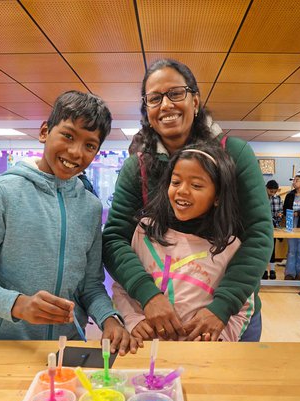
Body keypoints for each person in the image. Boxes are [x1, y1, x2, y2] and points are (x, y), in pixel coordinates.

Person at [103, 59, 272, 343]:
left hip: (228, 317)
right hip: (156, 319)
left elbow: (258, 235)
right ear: (147, 110)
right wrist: (148, 296)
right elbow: (115, 239)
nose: (166, 105)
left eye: (176, 93)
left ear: (195, 100)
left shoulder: (234, 154)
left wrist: (222, 307)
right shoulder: (138, 167)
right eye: (154, 98)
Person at [0, 90, 137, 355]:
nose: (75, 152)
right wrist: (19, 304)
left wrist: (108, 318)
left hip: (69, 346)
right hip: (6, 347)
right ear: (44, 132)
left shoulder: (90, 207)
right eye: (68, 136)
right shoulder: (0, 192)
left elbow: (90, 286)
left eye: (90, 145)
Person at [112, 143, 253, 342]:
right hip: (146, 351)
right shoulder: (145, 231)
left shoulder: (229, 246)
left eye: (196, 185)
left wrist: (220, 339)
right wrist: (134, 320)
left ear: (218, 196)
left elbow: (244, 307)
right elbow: (122, 286)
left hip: (201, 356)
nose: (182, 191)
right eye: (176, 182)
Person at [262, 180, 283, 280]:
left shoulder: (277, 198)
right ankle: (264, 270)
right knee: (262, 249)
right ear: (266, 188)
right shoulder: (260, 198)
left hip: (273, 227)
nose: (273, 193)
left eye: (275, 191)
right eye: (271, 191)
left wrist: (278, 215)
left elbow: (279, 212)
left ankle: (272, 269)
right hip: (261, 227)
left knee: (272, 248)